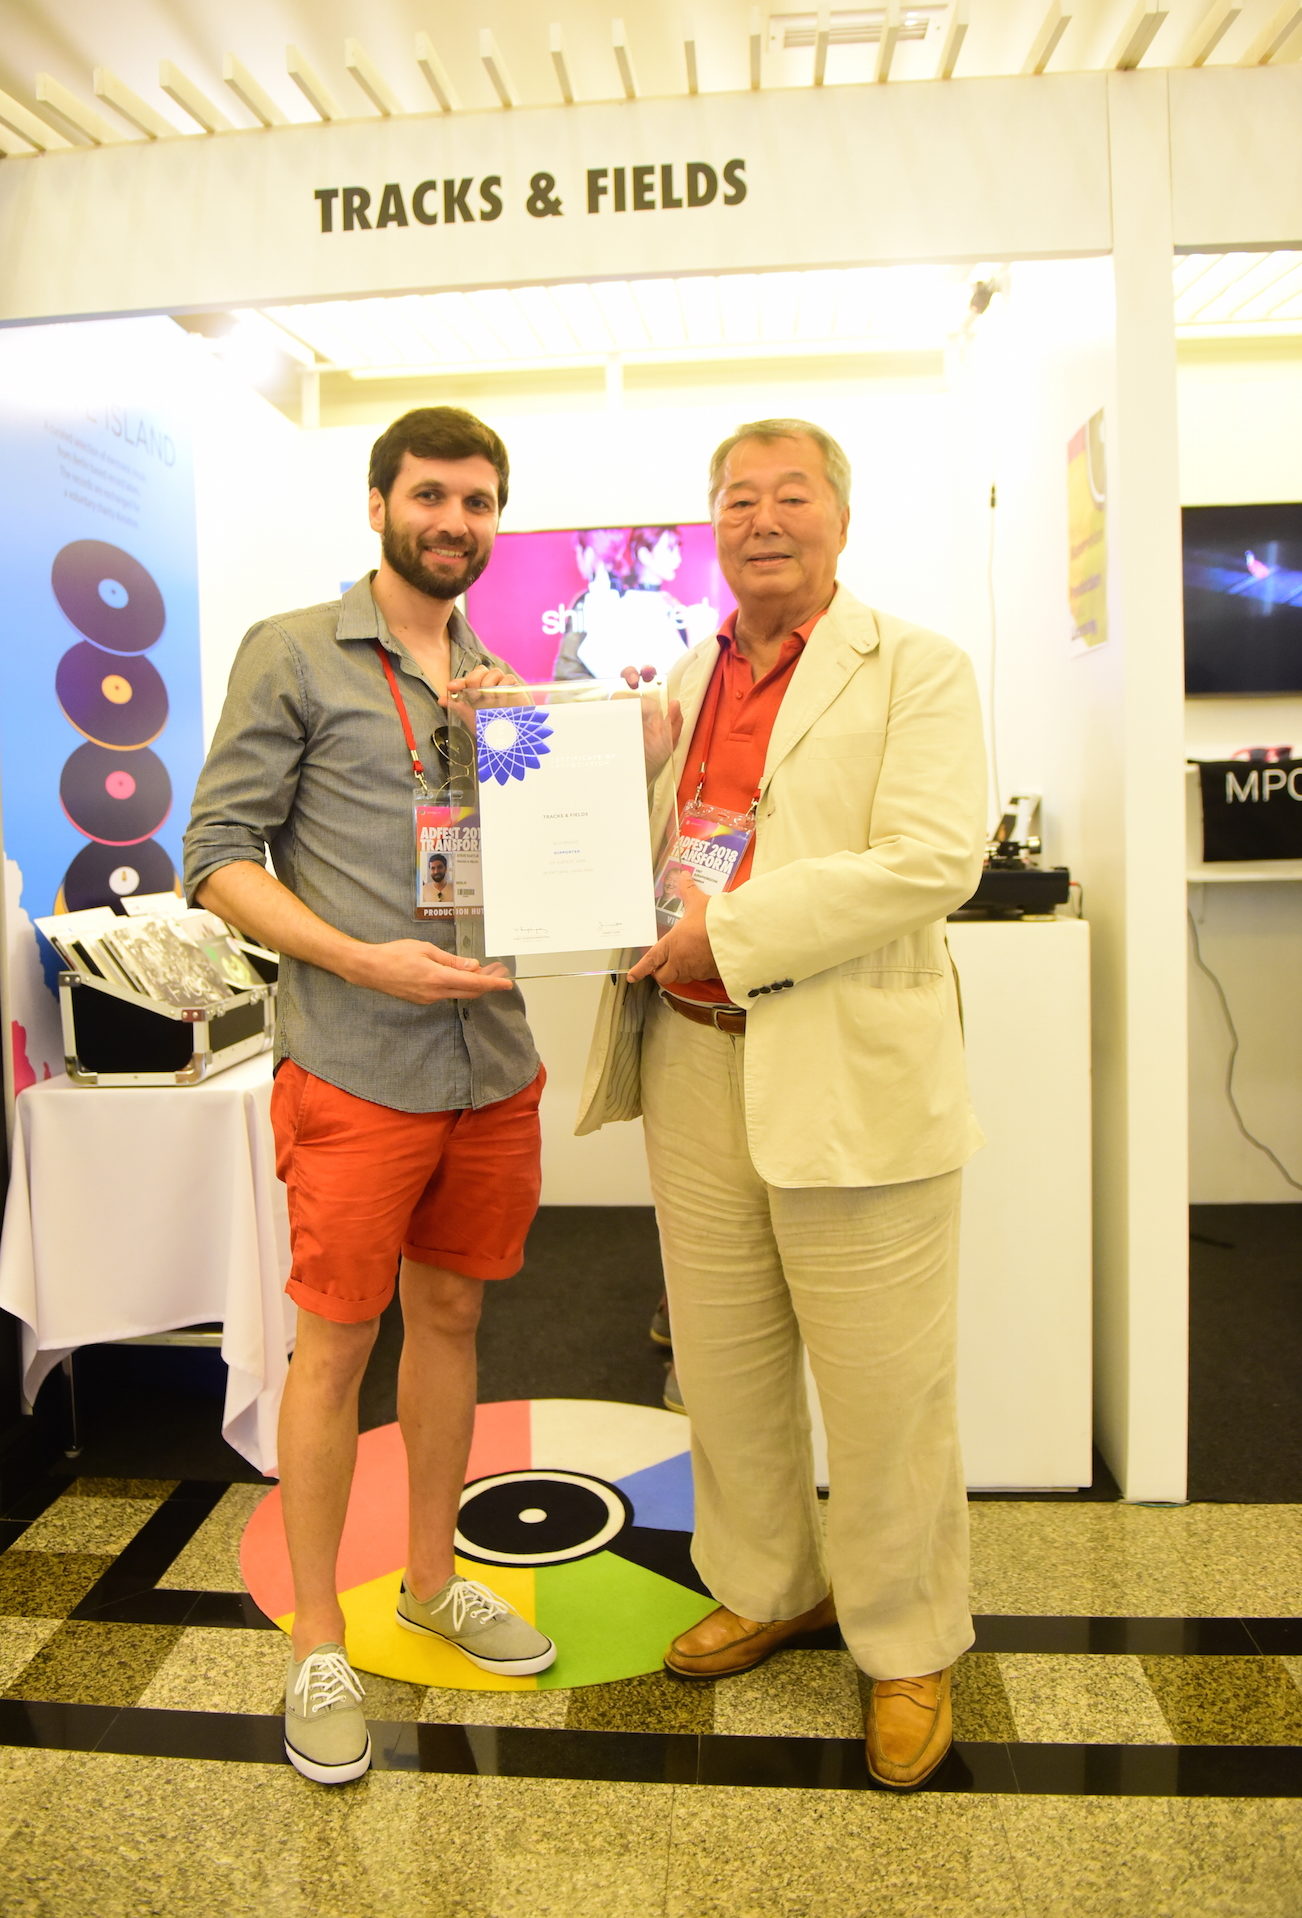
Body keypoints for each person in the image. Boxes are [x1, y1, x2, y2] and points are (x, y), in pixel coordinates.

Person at [578, 418, 987, 1789]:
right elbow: (644, 839)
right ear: (712, 526)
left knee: (884, 1388)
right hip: (693, 1059)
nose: (762, 518)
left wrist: (731, 929)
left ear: (840, 520)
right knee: (727, 1363)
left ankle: (906, 1640)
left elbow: (931, 858)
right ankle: (767, 1583)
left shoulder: (916, 666)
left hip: (848, 1069)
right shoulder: (688, 676)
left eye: (791, 495)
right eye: (737, 498)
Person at [184, 407, 556, 1788]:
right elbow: (216, 852)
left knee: (450, 1318)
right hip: (354, 1063)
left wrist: (580, 753)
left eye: (478, 500)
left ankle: (433, 1579)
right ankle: (318, 1640)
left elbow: (544, 857)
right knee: (333, 1349)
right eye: (430, 494)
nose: (453, 519)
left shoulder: (504, 682)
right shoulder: (292, 650)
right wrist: (354, 955)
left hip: (490, 1064)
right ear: (379, 502)